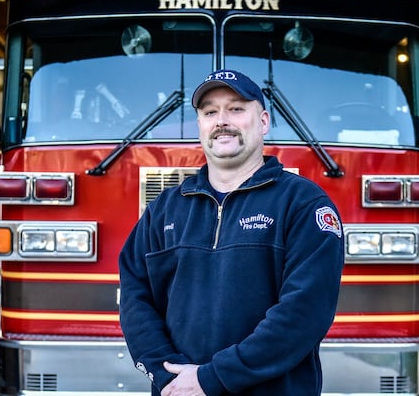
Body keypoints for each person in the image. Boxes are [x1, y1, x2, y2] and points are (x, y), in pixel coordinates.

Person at [118, 69, 344, 395]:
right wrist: (166, 373)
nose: (221, 120)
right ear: (200, 126)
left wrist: (212, 378)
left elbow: (303, 314)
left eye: (236, 109)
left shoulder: (304, 204)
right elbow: (134, 299)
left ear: (263, 122)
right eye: (210, 112)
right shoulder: (164, 209)